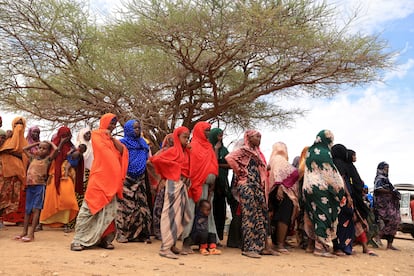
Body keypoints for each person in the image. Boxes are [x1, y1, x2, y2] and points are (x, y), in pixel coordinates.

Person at [70, 113, 128, 251]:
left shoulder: (112, 140)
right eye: (111, 123)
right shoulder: (96, 136)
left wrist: (114, 141)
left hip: (112, 182)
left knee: (109, 212)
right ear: (104, 122)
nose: (113, 126)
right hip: (99, 179)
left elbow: (123, 152)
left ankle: (105, 239)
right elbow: (104, 154)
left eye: (115, 124)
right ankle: (78, 240)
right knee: (89, 209)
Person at [225, 130, 274, 258]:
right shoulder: (244, 150)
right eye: (257, 136)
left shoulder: (257, 152)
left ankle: (260, 246)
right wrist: (241, 171)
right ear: (249, 138)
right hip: (247, 185)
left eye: (260, 136)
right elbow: (229, 158)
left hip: (257, 186)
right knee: (249, 216)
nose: (259, 139)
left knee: (261, 215)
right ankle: (248, 247)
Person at [147, 126, 191, 259]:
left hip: (182, 185)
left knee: (182, 214)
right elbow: (153, 160)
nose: (187, 140)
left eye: (188, 137)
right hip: (174, 184)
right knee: (171, 215)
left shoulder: (184, 152)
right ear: (177, 138)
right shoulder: (172, 151)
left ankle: (171, 244)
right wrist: (171, 171)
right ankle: (165, 248)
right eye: (184, 137)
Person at [302, 130, 345, 258]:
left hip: (308, 187)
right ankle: (321, 249)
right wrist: (340, 189)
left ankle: (314, 246)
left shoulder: (310, 152)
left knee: (314, 216)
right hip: (320, 189)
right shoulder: (325, 153)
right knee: (323, 216)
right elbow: (330, 173)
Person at [182, 122, 219, 253]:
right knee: (191, 213)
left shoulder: (209, 147)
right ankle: (186, 241)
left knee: (206, 214)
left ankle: (207, 241)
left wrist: (212, 184)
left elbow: (214, 167)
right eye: (206, 130)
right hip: (194, 186)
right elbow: (190, 166)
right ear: (198, 131)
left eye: (209, 130)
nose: (208, 133)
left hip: (207, 187)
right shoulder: (192, 147)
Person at [14, 140, 62, 242]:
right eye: (40, 148)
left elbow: (57, 149)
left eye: (44, 148)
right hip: (30, 187)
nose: (41, 150)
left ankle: (31, 234)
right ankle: (24, 231)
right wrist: (36, 144)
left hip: (39, 187)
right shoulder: (32, 158)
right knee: (27, 210)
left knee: (36, 209)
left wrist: (50, 143)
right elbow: (24, 149)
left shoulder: (47, 160)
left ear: (48, 151)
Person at [116, 119, 152, 243]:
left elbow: (148, 159)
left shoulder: (143, 144)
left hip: (141, 178)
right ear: (128, 130)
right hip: (126, 178)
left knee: (141, 206)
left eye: (138, 128)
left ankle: (141, 234)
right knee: (124, 207)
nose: (137, 130)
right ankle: (122, 234)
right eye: (135, 128)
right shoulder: (122, 144)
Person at [40, 127, 79, 232]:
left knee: (67, 198)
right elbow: (52, 157)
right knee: (50, 200)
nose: (65, 137)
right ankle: (43, 222)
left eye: (67, 135)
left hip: (66, 176)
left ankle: (65, 223)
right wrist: (61, 143)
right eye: (63, 135)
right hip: (53, 176)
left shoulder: (72, 146)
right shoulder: (53, 144)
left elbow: (76, 158)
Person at [268, 142, 299, 254]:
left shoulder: (273, 159)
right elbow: (289, 175)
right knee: (284, 215)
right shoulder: (279, 160)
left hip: (274, 190)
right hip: (282, 191)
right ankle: (280, 244)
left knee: (277, 216)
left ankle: (278, 242)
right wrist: (281, 186)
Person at [0, 117, 28, 224]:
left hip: (16, 176)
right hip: (4, 174)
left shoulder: (24, 142)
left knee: (9, 199)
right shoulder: (8, 140)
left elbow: (26, 156)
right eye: (16, 124)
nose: (19, 127)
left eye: (21, 124)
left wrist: (13, 152)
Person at [331, 144, 355, 256]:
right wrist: (348, 196)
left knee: (340, 221)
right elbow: (342, 180)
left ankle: (343, 247)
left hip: (337, 196)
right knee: (343, 221)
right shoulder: (339, 164)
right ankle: (340, 247)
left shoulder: (332, 163)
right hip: (343, 196)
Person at [208, 128, 230, 242]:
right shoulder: (208, 149)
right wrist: (216, 150)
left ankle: (219, 237)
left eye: (222, 136)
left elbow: (231, 164)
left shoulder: (225, 150)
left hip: (221, 184)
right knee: (210, 210)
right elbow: (213, 162)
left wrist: (219, 166)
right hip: (211, 183)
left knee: (221, 211)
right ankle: (211, 237)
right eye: (218, 136)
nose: (220, 139)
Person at [151, 133, 174, 240]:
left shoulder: (179, 152)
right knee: (160, 208)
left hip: (175, 184)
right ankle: (158, 232)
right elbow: (151, 162)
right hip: (164, 183)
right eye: (171, 140)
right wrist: (159, 178)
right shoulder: (164, 152)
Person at [373, 161, 401, 250]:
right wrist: (390, 192)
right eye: (385, 168)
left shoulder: (386, 180)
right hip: (383, 206)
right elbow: (378, 189)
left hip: (390, 205)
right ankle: (378, 236)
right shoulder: (379, 179)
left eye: (388, 168)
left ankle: (389, 244)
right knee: (392, 220)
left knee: (396, 221)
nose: (387, 170)